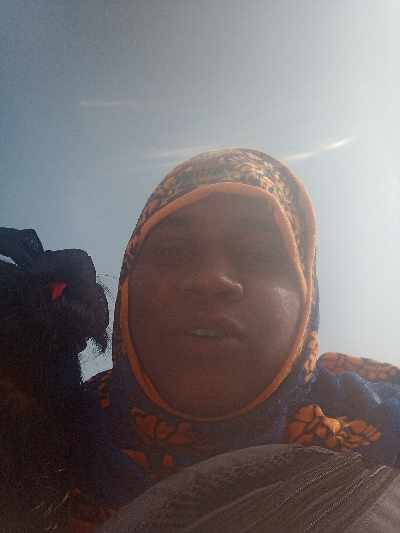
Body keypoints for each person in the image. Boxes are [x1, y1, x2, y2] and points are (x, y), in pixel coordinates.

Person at [1, 148, 400, 532]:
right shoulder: (39, 435)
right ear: (127, 289)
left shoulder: (382, 436)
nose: (211, 279)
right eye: (173, 251)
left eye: (259, 255)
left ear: (307, 299)